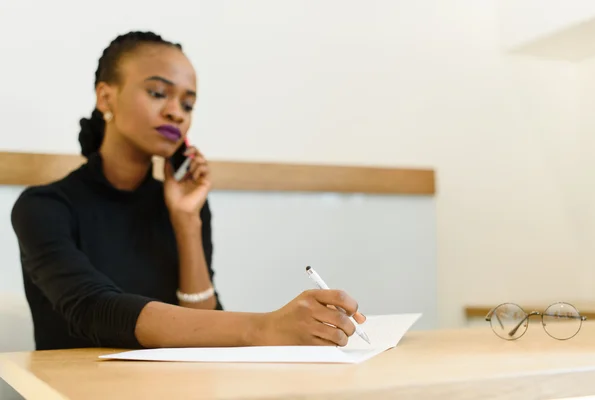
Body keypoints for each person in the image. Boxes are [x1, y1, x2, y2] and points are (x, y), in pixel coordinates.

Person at [10, 31, 366, 351]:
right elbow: (94, 310)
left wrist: (186, 220)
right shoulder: (43, 207)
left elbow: (202, 328)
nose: (176, 113)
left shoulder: (183, 206)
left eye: (188, 104)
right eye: (157, 93)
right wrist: (264, 326)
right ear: (106, 97)